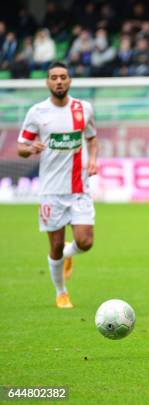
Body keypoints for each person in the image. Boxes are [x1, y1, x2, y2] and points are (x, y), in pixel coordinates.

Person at [17, 62, 97, 308]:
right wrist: (30, 149)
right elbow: (21, 147)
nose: (59, 81)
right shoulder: (37, 112)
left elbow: (92, 138)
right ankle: (61, 292)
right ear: (48, 82)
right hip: (51, 191)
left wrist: (93, 159)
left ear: (70, 81)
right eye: (54, 77)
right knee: (54, 246)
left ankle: (68, 255)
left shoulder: (83, 109)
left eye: (63, 77)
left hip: (79, 188)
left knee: (85, 242)